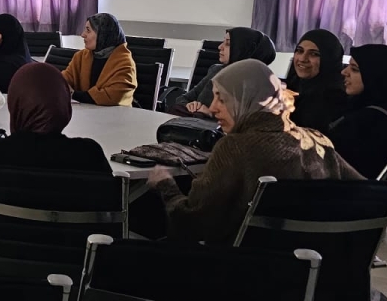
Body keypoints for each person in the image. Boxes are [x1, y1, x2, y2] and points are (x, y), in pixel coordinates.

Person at [148, 59, 361, 246]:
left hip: (240, 267)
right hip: (309, 264)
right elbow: (364, 193)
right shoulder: (318, 141)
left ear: (246, 98)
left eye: (222, 98)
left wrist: (166, 186)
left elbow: (191, 224)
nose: (212, 108)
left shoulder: (234, 147)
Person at [0, 63, 111, 228]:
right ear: (64, 105)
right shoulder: (90, 155)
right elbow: (114, 214)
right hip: (77, 247)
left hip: (0, 246)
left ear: (15, 104)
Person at [328, 44, 387, 180]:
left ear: (375, 76)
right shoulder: (368, 107)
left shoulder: (375, 122)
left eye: (354, 69)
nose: (344, 72)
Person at [164, 27, 277, 114]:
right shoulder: (217, 70)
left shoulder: (257, 86)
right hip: (193, 126)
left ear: (243, 50)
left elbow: (244, 125)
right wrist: (190, 105)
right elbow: (183, 98)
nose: (220, 47)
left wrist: (209, 114)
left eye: (228, 43)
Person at [61, 13, 136, 106]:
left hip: (114, 113)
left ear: (103, 34)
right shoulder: (81, 56)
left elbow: (115, 96)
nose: (83, 34)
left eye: (88, 30)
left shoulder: (125, 63)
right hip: (85, 111)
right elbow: (63, 80)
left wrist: (73, 94)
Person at [285, 28, 349, 132]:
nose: (302, 59)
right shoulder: (292, 84)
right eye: (300, 51)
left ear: (329, 59)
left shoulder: (333, 98)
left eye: (314, 54)